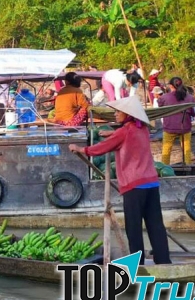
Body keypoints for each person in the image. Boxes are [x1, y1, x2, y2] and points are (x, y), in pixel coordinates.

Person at [69, 96, 171, 265]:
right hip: (151, 183)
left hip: (135, 185)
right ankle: (164, 261)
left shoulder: (125, 132)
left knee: (134, 227)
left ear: (128, 114)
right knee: (155, 225)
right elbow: (125, 136)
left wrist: (81, 148)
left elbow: (102, 148)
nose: (115, 114)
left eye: (118, 112)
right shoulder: (142, 129)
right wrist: (112, 133)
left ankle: (138, 265)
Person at [158, 77, 195, 165]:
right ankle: (188, 169)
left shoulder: (164, 98)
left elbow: (160, 106)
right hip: (185, 128)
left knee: (166, 151)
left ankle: (164, 169)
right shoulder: (190, 98)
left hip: (169, 128)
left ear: (171, 86)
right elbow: (194, 113)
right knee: (187, 150)